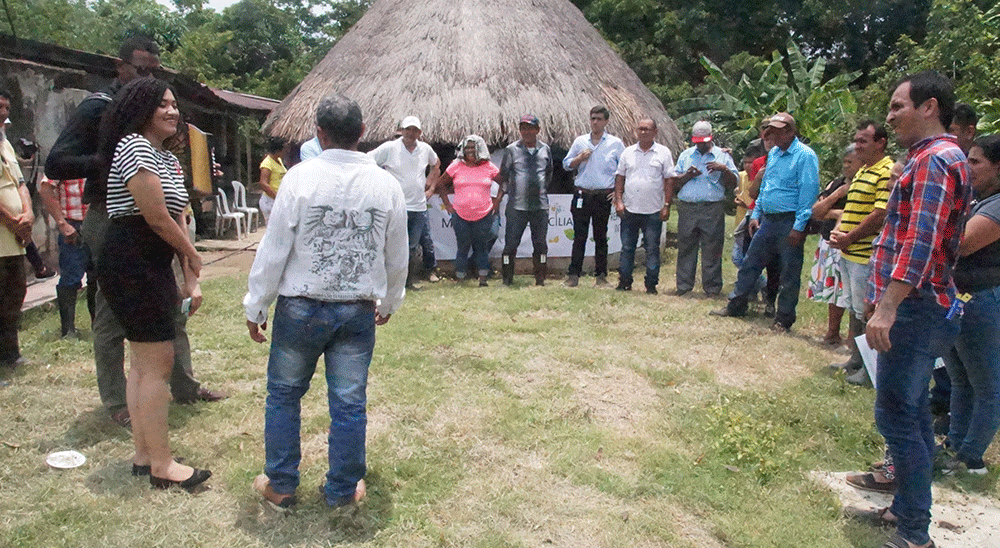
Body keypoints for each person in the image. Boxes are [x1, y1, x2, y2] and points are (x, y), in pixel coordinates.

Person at [45, 36, 223, 427]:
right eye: (141, 70)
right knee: (112, 313)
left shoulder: (150, 124)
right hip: (114, 221)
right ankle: (117, 400)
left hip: (153, 221)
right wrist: (116, 161)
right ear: (119, 67)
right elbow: (56, 163)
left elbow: (167, 202)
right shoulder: (99, 109)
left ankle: (183, 385)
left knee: (172, 303)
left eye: (154, 72)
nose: (149, 78)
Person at [244, 93, 407, 512]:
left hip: (300, 307)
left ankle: (280, 486)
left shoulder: (299, 178)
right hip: (356, 310)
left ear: (318, 133)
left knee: (283, 395)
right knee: (349, 403)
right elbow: (397, 255)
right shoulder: (386, 184)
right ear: (364, 134)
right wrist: (390, 301)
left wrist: (256, 305)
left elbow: (274, 249)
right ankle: (342, 491)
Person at [863, 71, 972, 548]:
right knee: (913, 415)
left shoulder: (933, 160)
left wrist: (887, 308)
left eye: (897, 105)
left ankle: (913, 535)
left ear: (929, 107)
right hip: (927, 305)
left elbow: (920, 242)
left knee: (898, 418)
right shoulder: (940, 157)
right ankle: (907, 512)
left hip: (915, 308)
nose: (890, 114)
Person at [96, 77, 211, 490]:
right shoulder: (134, 147)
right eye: (162, 104)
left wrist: (189, 277)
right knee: (157, 364)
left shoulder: (164, 155)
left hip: (151, 258)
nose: (172, 111)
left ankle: (145, 456)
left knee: (145, 364)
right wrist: (194, 256)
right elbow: (155, 216)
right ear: (141, 108)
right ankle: (163, 465)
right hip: (132, 257)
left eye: (174, 105)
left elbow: (177, 215)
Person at [710, 112, 819, 332]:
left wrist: (799, 227)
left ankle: (783, 319)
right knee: (750, 263)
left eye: (776, 131)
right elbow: (766, 187)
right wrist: (757, 213)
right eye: (769, 130)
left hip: (789, 220)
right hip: (767, 220)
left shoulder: (804, 156)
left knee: (788, 272)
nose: (770, 135)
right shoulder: (775, 154)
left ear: (789, 131)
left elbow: (808, 194)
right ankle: (736, 304)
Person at [939, 134, 1000, 475]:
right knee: (960, 378)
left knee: (988, 385)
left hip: (982, 299)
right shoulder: (979, 199)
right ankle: (955, 445)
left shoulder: (996, 206)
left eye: (976, 161)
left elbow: (961, 244)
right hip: (961, 298)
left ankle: (971, 457)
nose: (968, 167)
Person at [828, 120, 894, 385]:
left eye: (863, 141)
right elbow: (851, 210)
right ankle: (856, 360)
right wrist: (840, 232)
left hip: (867, 254)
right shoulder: (863, 171)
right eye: (856, 140)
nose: (857, 145)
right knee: (855, 310)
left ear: (881, 143)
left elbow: (880, 215)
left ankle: (870, 369)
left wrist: (850, 238)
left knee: (867, 312)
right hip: (850, 253)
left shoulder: (886, 171)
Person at [368, 116, 441, 288]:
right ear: (401, 130)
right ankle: (386, 282)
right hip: (395, 207)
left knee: (411, 247)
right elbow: (367, 161)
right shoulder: (389, 148)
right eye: (407, 129)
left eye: (414, 130)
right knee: (390, 245)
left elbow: (436, 164)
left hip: (418, 207)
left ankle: (406, 282)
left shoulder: (425, 149)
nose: (410, 133)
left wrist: (431, 187)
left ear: (419, 133)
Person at [670, 120, 738, 296]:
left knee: (713, 247)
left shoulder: (722, 156)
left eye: (704, 141)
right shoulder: (686, 155)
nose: (700, 144)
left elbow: (733, 184)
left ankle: (712, 287)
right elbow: (674, 182)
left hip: (712, 207)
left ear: (711, 138)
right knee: (686, 246)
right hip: (688, 207)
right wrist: (687, 175)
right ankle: (684, 286)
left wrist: (724, 170)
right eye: (697, 141)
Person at [562, 105, 624, 287]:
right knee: (579, 236)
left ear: (606, 121)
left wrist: (619, 190)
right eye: (592, 118)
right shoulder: (580, 141)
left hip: (602, 196)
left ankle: (601, 276)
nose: (595, 122)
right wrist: (579, 159)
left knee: (601, 236)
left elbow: (623, 169)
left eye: (598, 118)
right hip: (582, 194)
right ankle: (573, 275)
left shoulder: (615, 143)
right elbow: (566, 164)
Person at [806, 144, 860, 346]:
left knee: (850, 291)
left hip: (851, 244)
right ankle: (832, 332)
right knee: (833, 289)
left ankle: (852, 339)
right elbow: (816, 211)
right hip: (828, 241)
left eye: (851, 162)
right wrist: (837, 197)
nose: (847, 166)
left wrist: (834, 212)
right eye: (844, 162)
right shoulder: (835, 184)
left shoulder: (864, 186)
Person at [613, 118, 673, 294]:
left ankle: (651, 285)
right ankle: (624, 282)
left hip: (654, 210)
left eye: (647, 129)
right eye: (641, 129)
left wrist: (667, 205)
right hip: (630, 209)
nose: (644, 132)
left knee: (652, 249)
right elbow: (620, 177)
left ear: (655, 132)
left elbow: (669, 180)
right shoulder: (628, 152)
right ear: (636, 131)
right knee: (627, 248)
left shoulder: (663, 153)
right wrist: (618, 200)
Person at [437, 135, 500, 286]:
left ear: (481, 148)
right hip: (460, 215)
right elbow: (440, 184)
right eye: (467, 148)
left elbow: (504, 183)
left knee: (481, 248)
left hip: (484, 214)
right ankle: (460, 279)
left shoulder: (489, 166)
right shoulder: (456, 166)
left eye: (473, 147)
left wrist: (497, 202)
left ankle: (483, 279)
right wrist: (448, 205)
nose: (470, 151)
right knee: (462, 247)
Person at [38, 176, 96, 339]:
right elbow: (46, 188)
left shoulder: (96, 153)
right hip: (72, 224)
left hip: (96, 223)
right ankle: (68, 330)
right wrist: (62, 223)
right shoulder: (65, 154)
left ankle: (98, 326)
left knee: (98, 276)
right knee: (71, 277)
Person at [499, 114, 552, 286]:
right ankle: (507, 279)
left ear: (537, 130)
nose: (526, 131)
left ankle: (540, 279)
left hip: (540, 205)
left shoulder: (546, 149)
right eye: (523, 128)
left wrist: (538, 187)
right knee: (510, 245)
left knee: (541, 245)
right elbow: (503, 175)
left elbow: (549, 174)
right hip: (517, 205)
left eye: (530, 128)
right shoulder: (511, 150)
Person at [0, 87, 32, 368]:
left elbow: (20, 182)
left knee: (15, 293)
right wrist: (12, 221)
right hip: (4, 231)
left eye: (7, 108)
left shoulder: (5, 143)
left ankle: (10, 353)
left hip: (14, 239)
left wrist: (29, 214)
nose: (4, 113)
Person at [257, 136, 288, 223]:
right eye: (284, 149)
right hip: (270, 201)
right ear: (278, 150)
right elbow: (263, 183)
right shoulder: (267, 163)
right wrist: (277, 196)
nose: (286, 151)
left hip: (278, 200)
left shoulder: (279, 161)